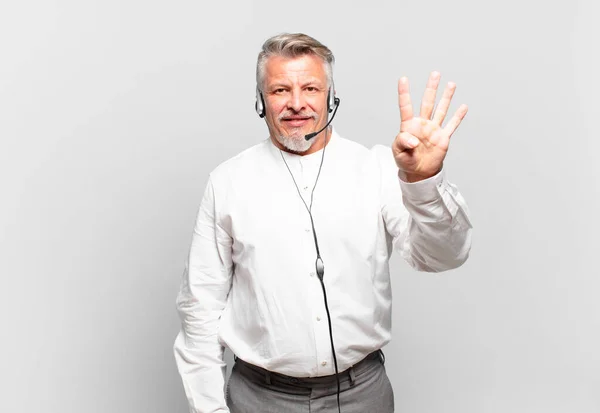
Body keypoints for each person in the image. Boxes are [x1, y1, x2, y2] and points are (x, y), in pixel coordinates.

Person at [173, 33, 472, 413]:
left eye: (310, 88)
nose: (296, 103)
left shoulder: (377, 169)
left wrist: (423, 181)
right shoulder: (227, 182)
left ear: (330, 97)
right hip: (259, 398)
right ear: (260, 101)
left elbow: (443, 256)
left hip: (362, 394)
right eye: (280, 89)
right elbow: (200, 310)